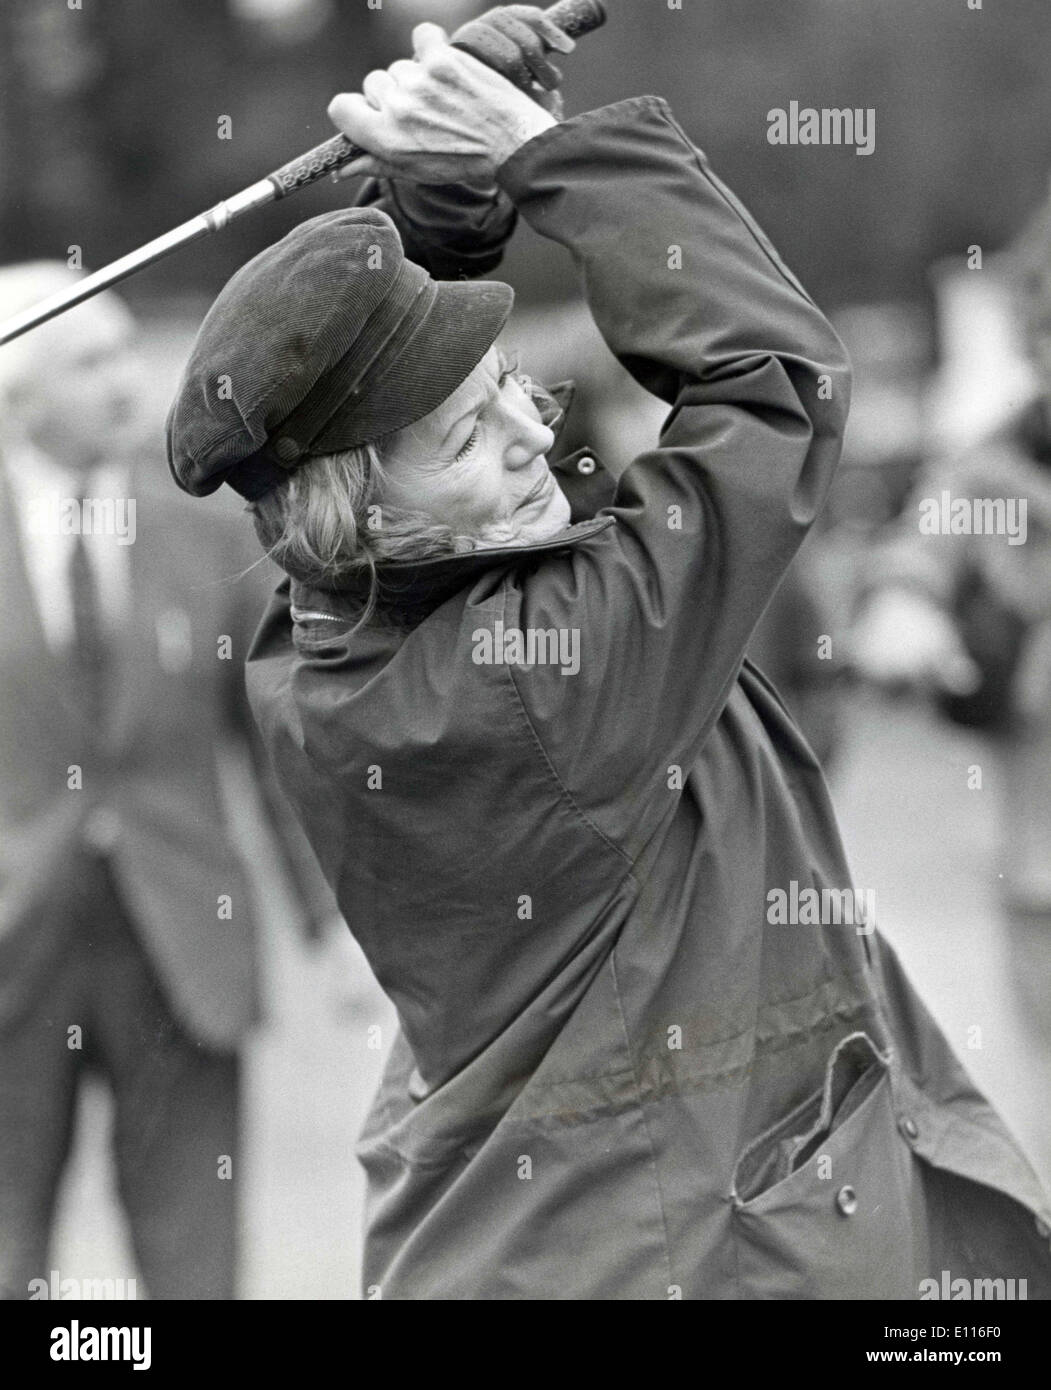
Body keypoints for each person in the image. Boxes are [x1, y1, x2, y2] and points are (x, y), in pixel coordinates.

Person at [167, 11, 1051, 1299]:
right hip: (675, 1253)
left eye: (505, 387)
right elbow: (774, 383)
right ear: (373, 519)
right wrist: (545, 149)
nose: (532, 437)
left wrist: (442, 196)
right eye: (474, 442)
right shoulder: (550, 667)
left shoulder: (321, 639)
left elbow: (356, 383)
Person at [0, 265, 332, 1300]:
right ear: (18, 395)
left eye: (123, 353)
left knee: (196, 1264)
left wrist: (337, 922)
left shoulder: (208, 535)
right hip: (12, 950)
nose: (123, 380)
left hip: (184, 939)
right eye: (87, 360)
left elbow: (280, 746)